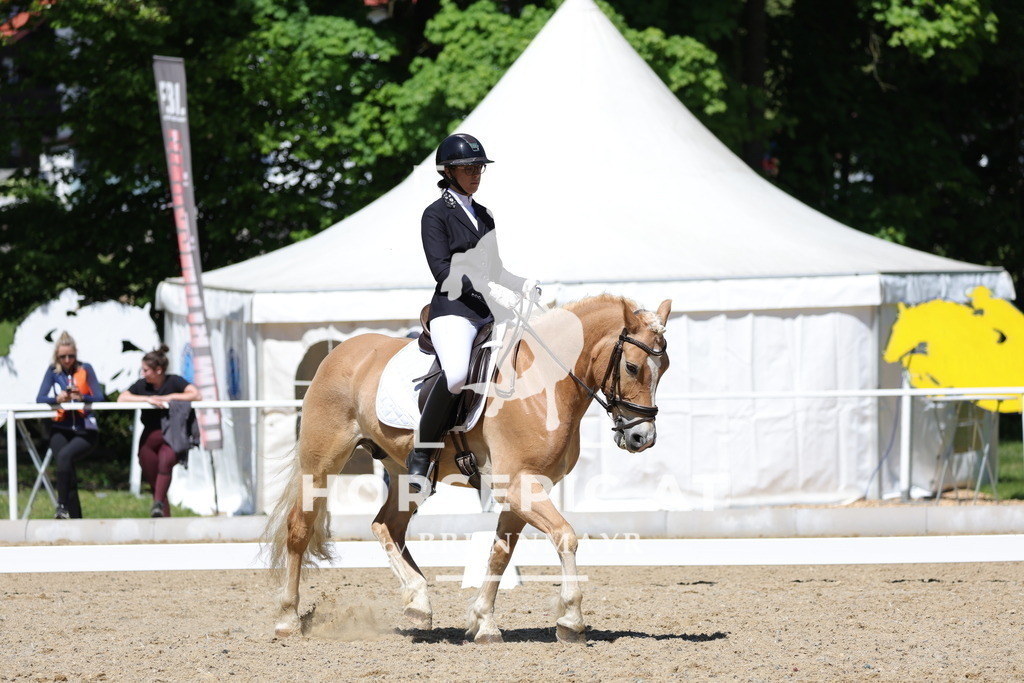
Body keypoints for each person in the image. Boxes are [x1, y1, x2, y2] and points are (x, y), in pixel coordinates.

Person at [407, 132, 537, 492]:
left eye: (479, 167)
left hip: (487, 312)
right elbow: (442, 270)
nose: (476, 174)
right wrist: (488, 289)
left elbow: (495, 269)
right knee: (456, 376)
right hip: (453, 310)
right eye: (468, 168)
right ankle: (422, 453)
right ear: (448, 172)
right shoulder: (435, 215)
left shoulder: (483, 215)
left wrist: (522, 284)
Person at [117, 345, 201, 517]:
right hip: (149, 436)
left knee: (165, 464)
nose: (144, 374)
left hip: (172, 435)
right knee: (154, 478)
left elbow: (195, 394)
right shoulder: (143, 385)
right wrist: (148, 399)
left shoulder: (174, 381)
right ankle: (163, 514)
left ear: (159, 370)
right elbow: (122, 398)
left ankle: (157, 504)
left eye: (146, 370)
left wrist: (168, 398)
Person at [35, 331, 105, 519]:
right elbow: (40, 398)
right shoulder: (53, 372)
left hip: (85, 429)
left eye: (71, 356)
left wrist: (82, 397)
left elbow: (99, 396)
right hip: (61, 427)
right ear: (57, 356)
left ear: (76, 354)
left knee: (66, 456)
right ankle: (75, 519)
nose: (67, 360)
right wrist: (58, 399)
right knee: (68, 473)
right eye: (63, 356)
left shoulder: (85, 369)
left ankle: (61, 506)